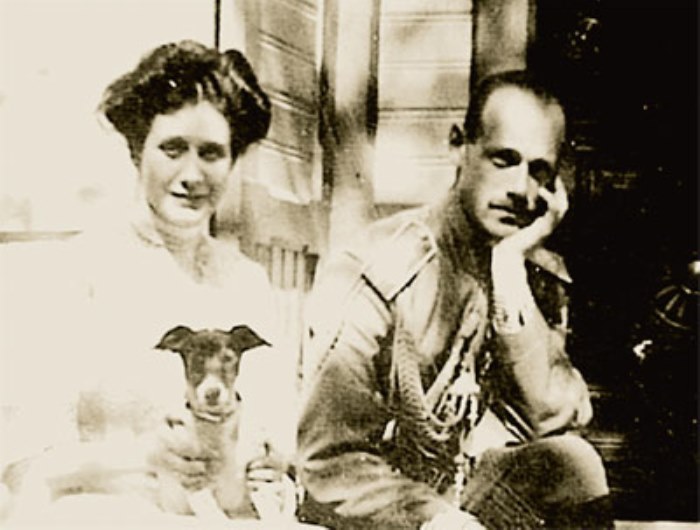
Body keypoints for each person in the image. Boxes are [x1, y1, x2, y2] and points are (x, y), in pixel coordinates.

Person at [297, 70, 613, 529]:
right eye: (503, 159)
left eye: (538, 171)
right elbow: (329, 461)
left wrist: (509, 269)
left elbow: (559, 418)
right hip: (376, 513)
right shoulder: (384, 269)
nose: (521, 189)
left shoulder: (518, 267)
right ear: (457, 146)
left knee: (571, 465)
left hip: (453, 502)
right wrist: (435, 518)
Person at [0, 40, 297, 524]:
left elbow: (271, 442)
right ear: (139, 151)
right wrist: (142, 457)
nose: (192, 174)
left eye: (212, 153)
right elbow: (24, 466)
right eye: (172, 149)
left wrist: (267, 465)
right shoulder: (75, 273)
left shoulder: (247, 283)